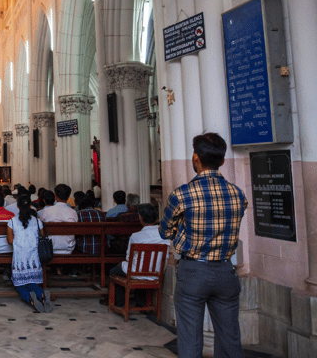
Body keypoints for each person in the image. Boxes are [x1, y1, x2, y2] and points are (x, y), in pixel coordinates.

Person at [160, 133, 247, 358]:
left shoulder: (182, 195)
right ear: (222, 161)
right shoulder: (238, 194)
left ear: (195, 158)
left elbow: (164, 231)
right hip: (226, 270)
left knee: (190, 339)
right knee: (230, 340)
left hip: (194, 271)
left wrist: (182, 234)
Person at [105, 203, 170, 307]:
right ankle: (141, 302)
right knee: (141, 269)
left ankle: (119, 302)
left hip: (137, 273)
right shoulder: (165, 235)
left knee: (114, 271)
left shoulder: (136, 236)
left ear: (141, 218)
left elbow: (128, 258)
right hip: (157, 273)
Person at [6, 195, 52, 312]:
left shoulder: (12, 221)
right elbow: (41, 237)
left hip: (19, 260)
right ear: (30, 205)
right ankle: (41, 295)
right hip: (34, 260)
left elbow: (10, 241)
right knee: (33, 282)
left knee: (20, 285)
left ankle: (30, 299)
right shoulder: (37, 221)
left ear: (18, 206)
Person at [38, 184, 77, 255]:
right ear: (68, 197)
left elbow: (40, 226)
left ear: (55, 196)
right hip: (68, 248)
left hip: (50, 247)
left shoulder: (46, 211)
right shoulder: (73, 212)